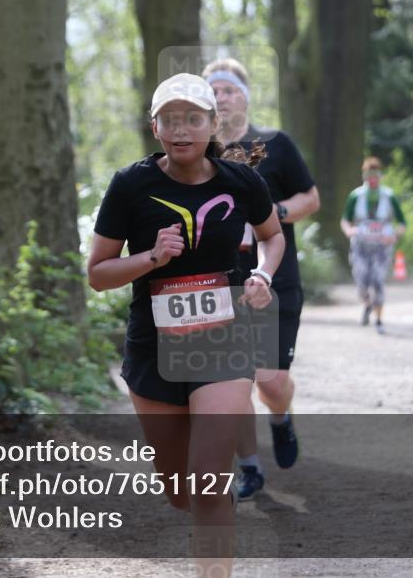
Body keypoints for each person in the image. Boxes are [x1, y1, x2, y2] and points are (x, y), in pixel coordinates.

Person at [88, 73, 285, 576]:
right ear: (155, 127)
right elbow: (98, 274)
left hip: (224, 342)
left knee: (206, 486)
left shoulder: (241, 181)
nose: (182, 129)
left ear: (213, 125)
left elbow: (273, 237)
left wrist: (261, 274)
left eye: (193, 118)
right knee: (182, 494)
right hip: (153, 350)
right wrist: (151, 259)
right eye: (170, 119)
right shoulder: (131, 185)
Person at [202, 58, 320, 501]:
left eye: (229, 89)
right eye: (213, 89)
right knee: (233, 381)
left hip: (274, 276)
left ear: (244, 96)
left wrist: (272, 215)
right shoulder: (201, 151)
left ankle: (280, 416)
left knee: (270, 381)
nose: (221, 95)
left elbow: (311, 198)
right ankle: (249, 469)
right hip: (218, 280)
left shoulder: (276, 144)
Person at [340, 157, 406, 334]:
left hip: (381, 248)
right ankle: (367, 304)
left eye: (375, 176)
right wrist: (349, 231)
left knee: (377, 281)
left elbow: (402, 224)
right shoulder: (356, 195)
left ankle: (378, 319)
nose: (372, 180)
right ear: (364, 177)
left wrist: (393, 236)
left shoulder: (389, 196)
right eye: (369, 176)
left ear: (380, 176)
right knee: (361, 281)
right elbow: (345, 220)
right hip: (360, 246)